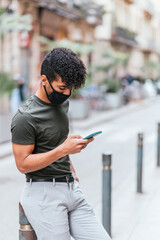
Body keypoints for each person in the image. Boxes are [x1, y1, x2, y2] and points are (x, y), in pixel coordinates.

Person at [11, 48, 111, 240]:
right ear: (44, 80)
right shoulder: (25, 117)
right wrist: (62, 150)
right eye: (62, 87)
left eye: (70, 88)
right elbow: (22, 164)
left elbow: (58, 142)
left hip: (71, 188)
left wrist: (73, 171)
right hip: (44, 195)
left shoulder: (63, 104)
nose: (66, 93)